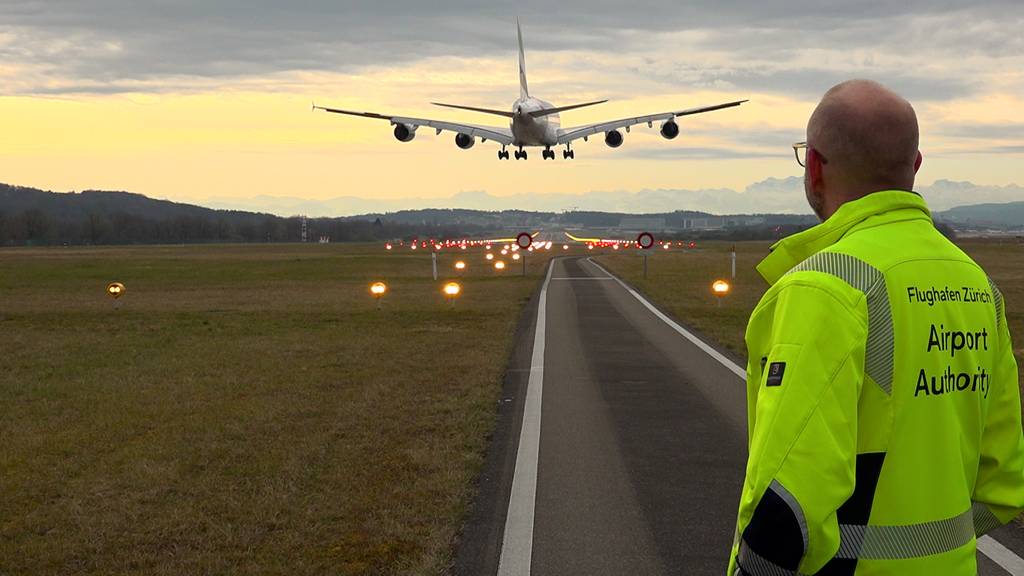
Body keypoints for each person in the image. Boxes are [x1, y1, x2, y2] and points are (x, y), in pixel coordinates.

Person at [728, 79, 1024, 575]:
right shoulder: (975, 284)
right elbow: (1004, 481)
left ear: (816, 167)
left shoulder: (823, 287)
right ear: (915, 166)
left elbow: (787, 502)